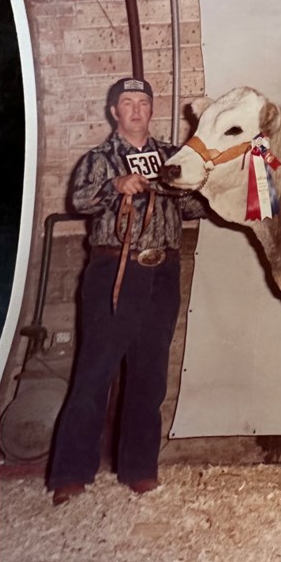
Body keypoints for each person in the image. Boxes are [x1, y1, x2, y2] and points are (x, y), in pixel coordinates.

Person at [48, 77, 206, 505]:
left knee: (150, 373)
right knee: (95, 371)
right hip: (112, 268)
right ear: (114, 111)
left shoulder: (173, 155)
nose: (136, 110)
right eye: (127, 103)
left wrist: (181, 184)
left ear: (151, 110)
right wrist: (115, 186)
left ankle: (139, 469)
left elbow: (195, 208)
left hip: (164, 269)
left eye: (143, 102)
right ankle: (71, 472)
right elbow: (79, 201)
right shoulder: (98, 158)